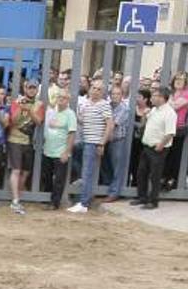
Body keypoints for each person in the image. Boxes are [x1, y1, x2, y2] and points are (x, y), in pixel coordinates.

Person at [132, 87, 176, 210]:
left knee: (155, 175)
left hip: (157, 149)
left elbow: (170, 133)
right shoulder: (154, 110)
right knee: (142, 173)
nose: (152, 98)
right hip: (147, 146)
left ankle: (153, 201)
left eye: (155, 96)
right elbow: (145, 124)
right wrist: (144, 116)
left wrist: (160, 145)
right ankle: (142, 197)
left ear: (162, 98)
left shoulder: (169, 113)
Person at [71, 79, 112, 213]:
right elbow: (83, 121)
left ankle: (84, 203)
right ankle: (83, 200)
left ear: (103, 92)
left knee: (87, 173)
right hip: (85, 141)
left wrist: (102, 143)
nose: (95, 91)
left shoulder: (104, 105)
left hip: (94, 143)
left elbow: (109, 125)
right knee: (84, 171)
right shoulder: (86, 104)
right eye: (94, 88)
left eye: (99, 89)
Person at [6, 80, 42, 214]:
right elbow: (13, 121)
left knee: (25, 172)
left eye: (34, 88)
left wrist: (29, 110)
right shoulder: (17, 102)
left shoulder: (39, 104)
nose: (32, 90)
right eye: (29, 87)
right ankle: (15, 200)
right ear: (25, 88)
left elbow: (38, 122)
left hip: (28, 141)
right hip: (15, 139)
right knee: (16, 170)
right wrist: (21, 107)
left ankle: (18, 197)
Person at [40, 89, 76, 210]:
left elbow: (71, 134)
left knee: (59, 179)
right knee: (47, 176)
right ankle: (47, 199)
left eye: (64, 98)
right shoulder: (51, 112)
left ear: (68, 100)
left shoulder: (70, 114)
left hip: (60, 152)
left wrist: (66, 152)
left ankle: (55, 202)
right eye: (59, 97)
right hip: (47, 150)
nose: (61, 99)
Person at [104, 84, 132, 202]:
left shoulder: (124, 108)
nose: (115, 96)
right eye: (113, 94)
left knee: (117, 167)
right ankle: (108, 188)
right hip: (107, 140)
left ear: (122, 96)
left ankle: (115, 193)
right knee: (107, 166)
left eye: (118, 94)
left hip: (117, 140)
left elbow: (113, 124)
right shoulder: (107, 106)